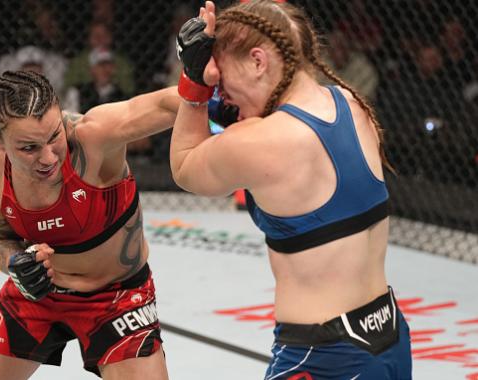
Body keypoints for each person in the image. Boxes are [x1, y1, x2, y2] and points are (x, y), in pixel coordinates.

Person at [170, 1, 412, 378]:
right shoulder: (351, 104)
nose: (224, 92)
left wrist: (195, 82)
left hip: (325, 356)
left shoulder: (262, 141)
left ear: (258, 61)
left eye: (224, 76)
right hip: (390, 334)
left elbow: (185, 167)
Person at [0, 70, 179, 379]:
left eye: (53, 137)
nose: (48, 157)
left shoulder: (94, 137)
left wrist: (205, 77)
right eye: (29, 148)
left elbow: (170, 104)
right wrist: (16, 264)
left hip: (118, 296)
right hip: (40, 295)